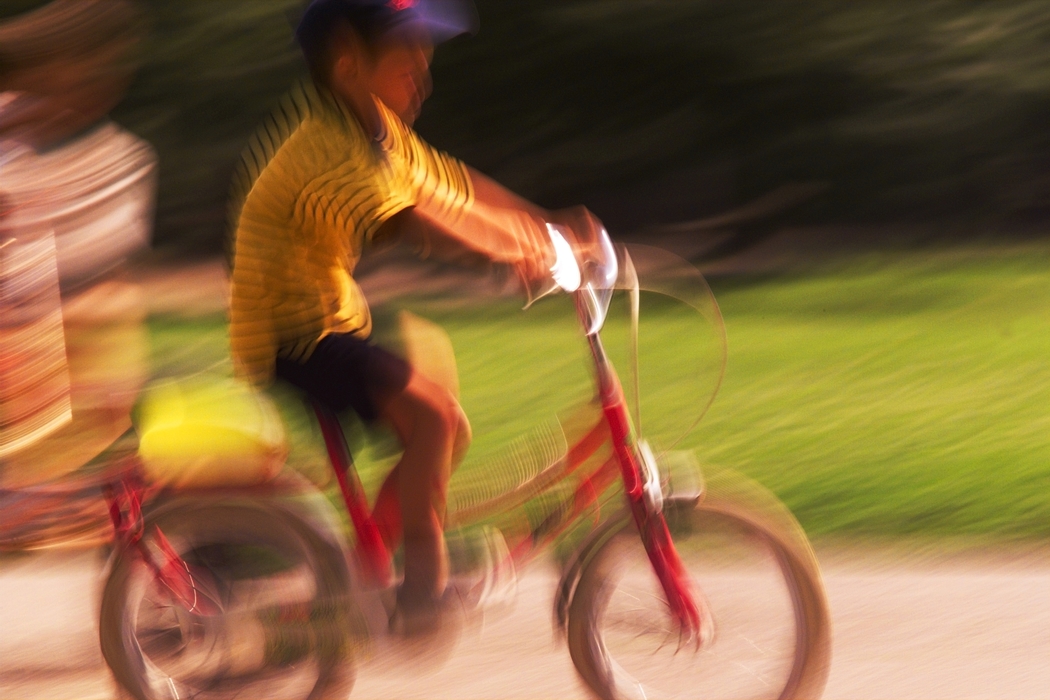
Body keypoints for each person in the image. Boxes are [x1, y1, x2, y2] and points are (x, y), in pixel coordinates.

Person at [227, 0, 602, 629]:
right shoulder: (328, 147)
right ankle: (423, 588)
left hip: (332, 316)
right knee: (433, 417)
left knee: (446, 422)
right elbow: (423, 222)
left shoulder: (377, 132)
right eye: (407, 61)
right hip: (289, 334)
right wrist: (520, 248)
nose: (423, 77)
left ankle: (366, 562)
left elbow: (457, 189)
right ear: (350, 66)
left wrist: (547, 228)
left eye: (425, 59)